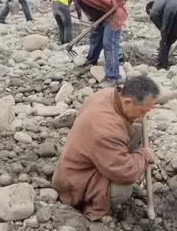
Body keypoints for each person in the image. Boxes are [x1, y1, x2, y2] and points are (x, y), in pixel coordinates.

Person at [52, 75, 158, 221]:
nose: (144, 116)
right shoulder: (106, 130)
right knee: (123, 189)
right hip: (74, 182)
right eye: (142, 111)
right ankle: (90, 206)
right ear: (128, 102)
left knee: (137, 130)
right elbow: (126, 172)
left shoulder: (108, 93)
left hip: (87, 154)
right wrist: (145, 155)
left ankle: (112, 164)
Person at [53, 0, 126, 84]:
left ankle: (113, 76)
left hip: (111, 12)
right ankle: (91, 61)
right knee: (95, 39)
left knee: (109, 43)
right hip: (99, 16)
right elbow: (83, 4)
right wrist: (93, 20)